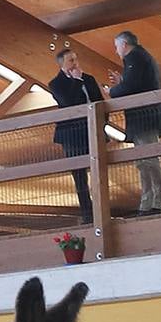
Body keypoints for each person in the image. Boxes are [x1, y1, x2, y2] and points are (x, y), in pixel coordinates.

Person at [105, 31, 161, 216]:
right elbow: (138, 83)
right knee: (143, 161)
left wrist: (114, 89)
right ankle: (148, 202)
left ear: (124, 44)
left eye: (117, 46)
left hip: (145, 117)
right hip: (142, 117)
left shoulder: (136, 57)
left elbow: (130, 88)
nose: (116, 50)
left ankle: (158, 202)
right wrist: (122, 81)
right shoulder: (139, 58)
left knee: (149, 159)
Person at [47, 48, 104, 226]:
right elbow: (67, 102)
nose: (75, 63)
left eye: (76, 59)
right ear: (62, 64)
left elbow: (99, 101)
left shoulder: (89, 79)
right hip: (72, 135)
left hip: (92, 130)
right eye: (71, 61)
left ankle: (102, 209)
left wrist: (102, 125)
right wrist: (77, 81)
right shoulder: (56, 84)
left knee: (98, 170)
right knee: (79, 176)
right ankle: (88, 214)